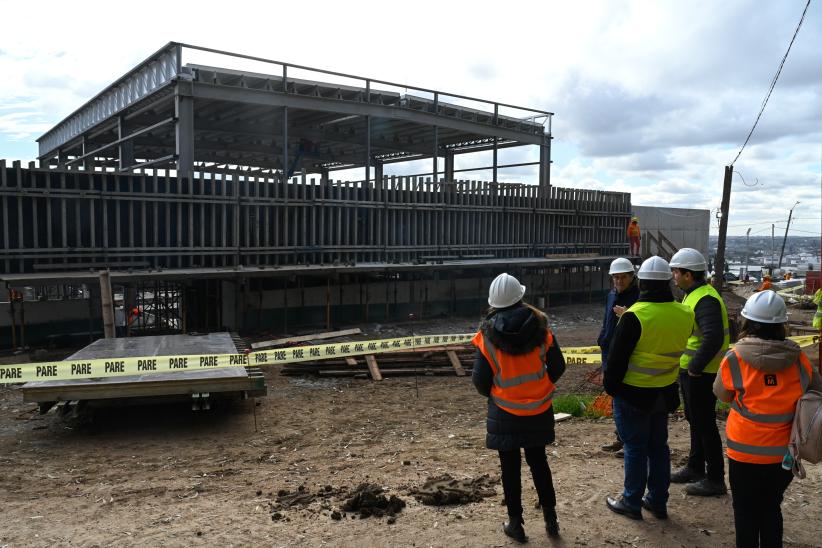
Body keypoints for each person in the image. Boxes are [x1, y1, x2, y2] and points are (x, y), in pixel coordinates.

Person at [714, 290, 822, 548]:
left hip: (743, 453)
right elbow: (815, 392)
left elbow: (723, 395)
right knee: (771, 508)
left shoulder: (734, 359)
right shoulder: (799, 361)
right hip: (782, 454)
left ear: (747, 323)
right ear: (782, 325)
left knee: (745, 511)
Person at [472, 272, 566, 542]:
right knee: (539, 462)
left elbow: (480, 380)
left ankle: (516, 524)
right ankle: (551, 520)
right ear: (520, 296)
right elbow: (558, 366)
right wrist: (539, 386)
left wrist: (498, 393)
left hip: (504, 410)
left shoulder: (486, 335)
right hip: (539, 408)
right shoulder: (541, 326)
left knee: (510, 468)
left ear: (493, 302)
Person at [603, 256, 694, 520]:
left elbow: (617, 362)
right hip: (664, 391)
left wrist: (612, 389)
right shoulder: (684, 312)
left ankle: (631, 501)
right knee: (658, 447)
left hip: (633, 393)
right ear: (668, 281)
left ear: (641, 282)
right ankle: (657, 501)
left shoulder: (634, 316)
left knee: (634, 447)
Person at [669, 248, 730, 496]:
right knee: (696, 420)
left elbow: (714, 337)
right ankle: (695, 467)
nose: (673, 275)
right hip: (695, 371)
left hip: (701, 373)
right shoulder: (694, 295)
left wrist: (695, 367)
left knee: (705, 423)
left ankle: (715, 478)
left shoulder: (705, 298)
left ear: (688, 275)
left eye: (676, 271)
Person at [597, 258, 640, 455]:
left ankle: (628, 440)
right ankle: (621, 437)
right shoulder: (611, 296)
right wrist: (602, 341)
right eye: (615, 278)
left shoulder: (638, 299)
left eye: (623, 278)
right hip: (609, 352)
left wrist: (628, 314)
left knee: (626, 400)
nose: (619, 281)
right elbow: (607, 323)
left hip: (625, 354)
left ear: (632, 277)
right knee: (615, 398)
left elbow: (640, 326)